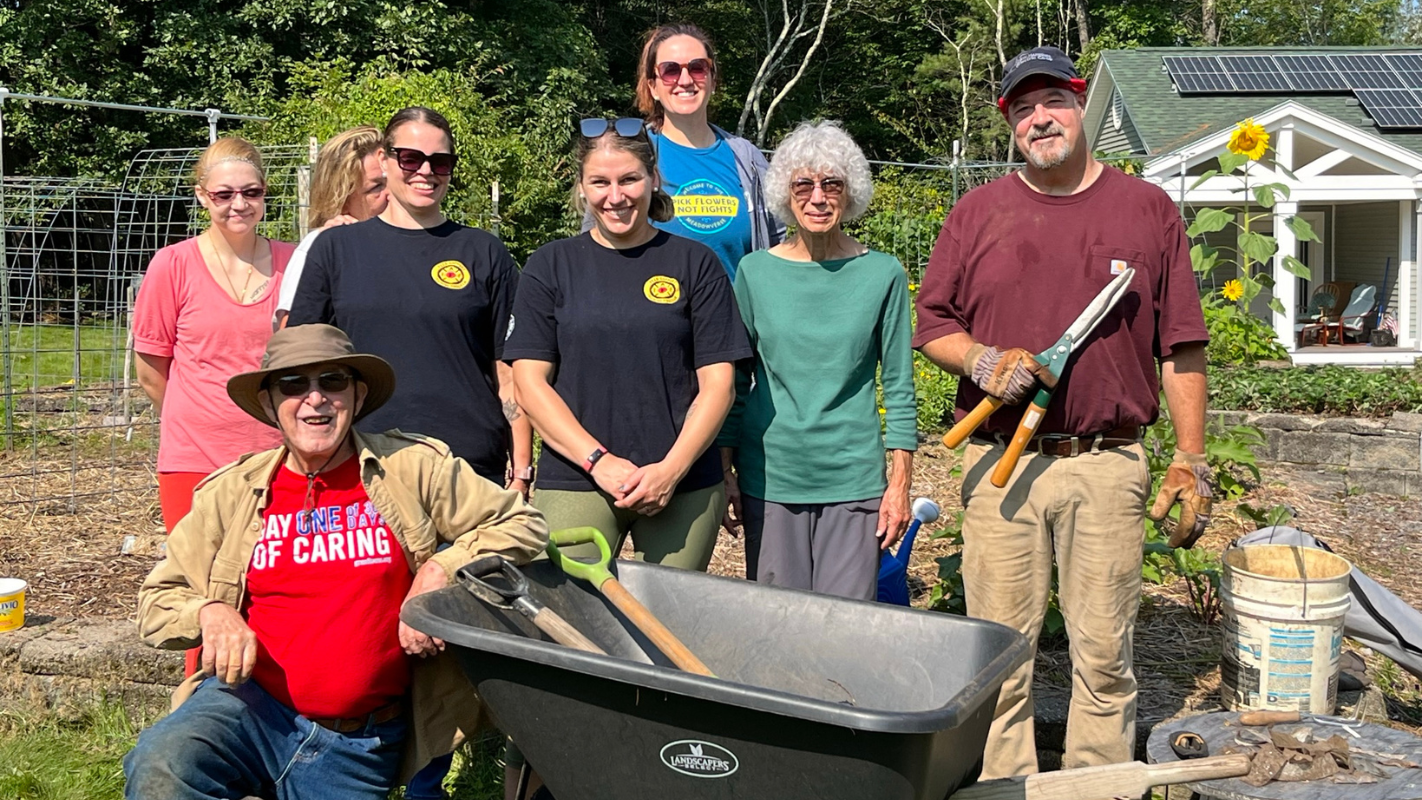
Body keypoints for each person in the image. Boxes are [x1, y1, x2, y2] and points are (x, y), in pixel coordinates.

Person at [912, 46, 1211, 779]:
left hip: (1106, 464)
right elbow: (932, 324)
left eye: (1053, 102)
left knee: (1105, 657)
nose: (1039, 118)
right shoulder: (977, 213)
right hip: (998, 462)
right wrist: (981, 362)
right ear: (1010, 123)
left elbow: (1182, 347)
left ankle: (1094, 791)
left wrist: (1191, 457)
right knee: (998, 656)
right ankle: (1004, 790)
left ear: (1082, 108)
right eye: (1022, 109)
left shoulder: (1147, 210)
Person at [123, 324, 548, 800]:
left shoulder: (411, 467)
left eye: (331, 382)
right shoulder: (233, 491)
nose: (315, 399)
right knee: (163, 763)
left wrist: (440, 570)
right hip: (248, 710)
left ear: (357, 394)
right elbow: (157, 603)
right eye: (293, 385)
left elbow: (523, 525)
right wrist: (210, 611)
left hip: (359, 740)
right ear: (268, 404)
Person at [286, 107, 534, 501]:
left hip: (466, 465)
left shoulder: (484, 252)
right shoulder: (334, 250)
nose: (426, 171)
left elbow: (508, 372)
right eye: (411, 158)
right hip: (363, 461)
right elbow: (299, 363)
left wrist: (520, 470)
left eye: (441, 161)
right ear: (384, 161)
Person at [717, 121, 915, 601]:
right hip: (772, 473)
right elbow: (736, 380)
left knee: (845, 624)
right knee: (776, 622)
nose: (818, 197)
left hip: (853, 478)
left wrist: (900, 483)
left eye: (832, 184)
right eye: (803, 185)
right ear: (785, 193)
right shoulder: (755, 272)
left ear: (851, 193)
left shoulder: (882, 273)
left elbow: (899, 383)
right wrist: (725, 470)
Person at [134, 136, 296, 538]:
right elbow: (152, 371)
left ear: (264, 194)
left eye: (251, 192)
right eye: (223, 194)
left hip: (278, 452)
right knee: (198, 580)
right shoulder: (172, 265)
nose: (238, 204)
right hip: (193, 456)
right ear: (202, 197)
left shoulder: (293, 263)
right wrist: (196, 421)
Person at [633, 23, 784, 278]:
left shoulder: (746, 159)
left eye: (697, 68)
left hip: (734, 317)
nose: (685, 80)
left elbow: (777, 246)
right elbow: (597, 246)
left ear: (713, 80)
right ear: (652, 87)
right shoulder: (633, 153)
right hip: (652, 315)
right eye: (670, 70)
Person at [273, 125, 389, 330]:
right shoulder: (321, 248)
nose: (391, 193)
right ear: (342, 199)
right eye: (376, 187)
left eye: (392, 181)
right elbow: (292, 339)